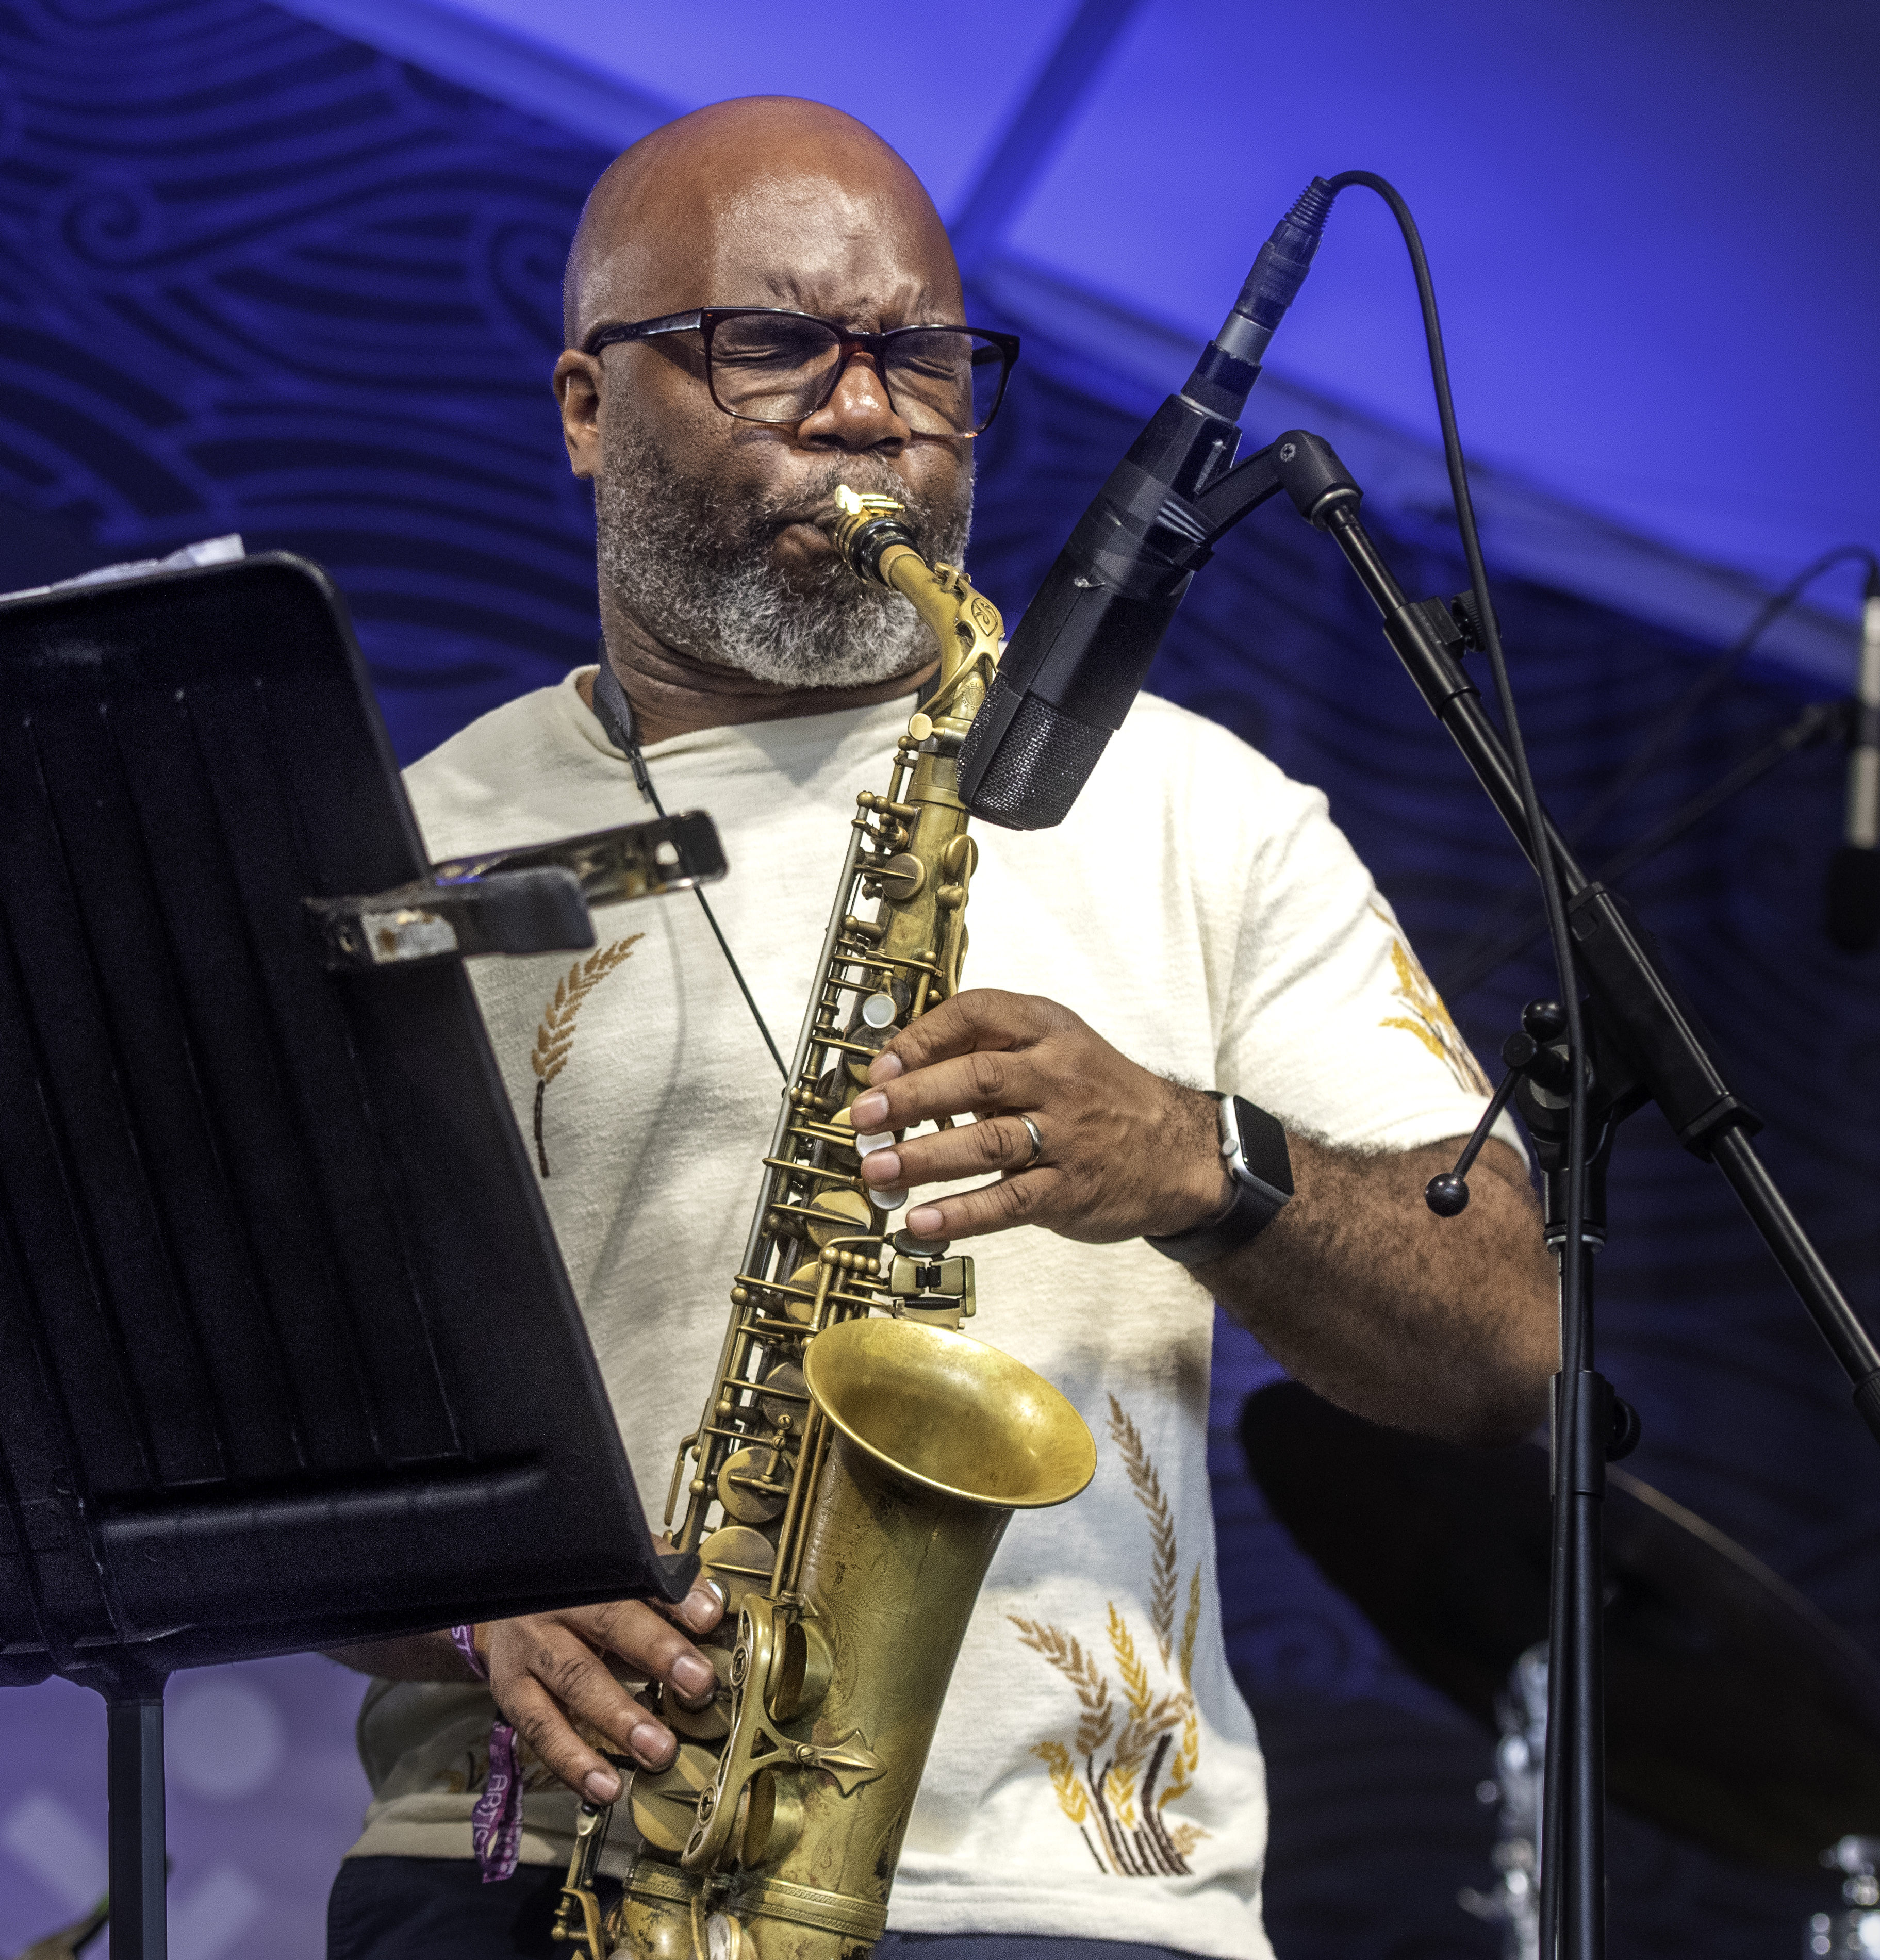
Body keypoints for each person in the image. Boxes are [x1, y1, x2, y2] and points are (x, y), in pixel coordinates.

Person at [323, 95, 1557, 1960]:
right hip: (524, 1868)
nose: (864, 403)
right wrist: (467, 1603)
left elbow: (1518, 1337)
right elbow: (253, 1428)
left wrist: (1196, 1164)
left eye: (917, 352)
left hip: (1081, 1911)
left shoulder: (1209, 813)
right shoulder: (414, 840)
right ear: (585, 406)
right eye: (773, 343)